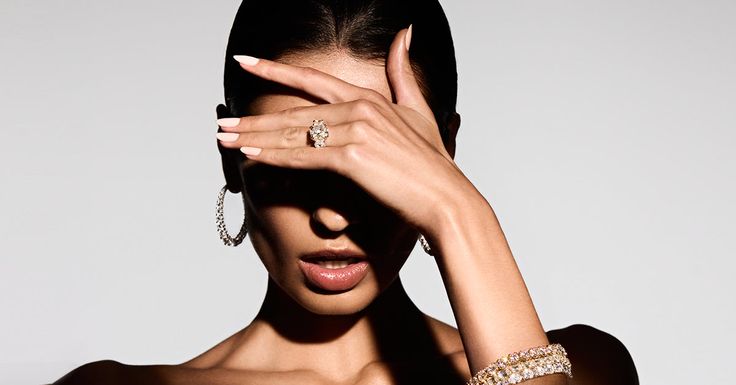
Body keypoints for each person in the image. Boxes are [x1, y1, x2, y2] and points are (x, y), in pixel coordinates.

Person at [53, 1, 639, 384]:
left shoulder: (584, 366)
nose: (334, 217)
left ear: (443, 155)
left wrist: (459, 212)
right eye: (297, 161)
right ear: (231, 155)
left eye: (373, 162)